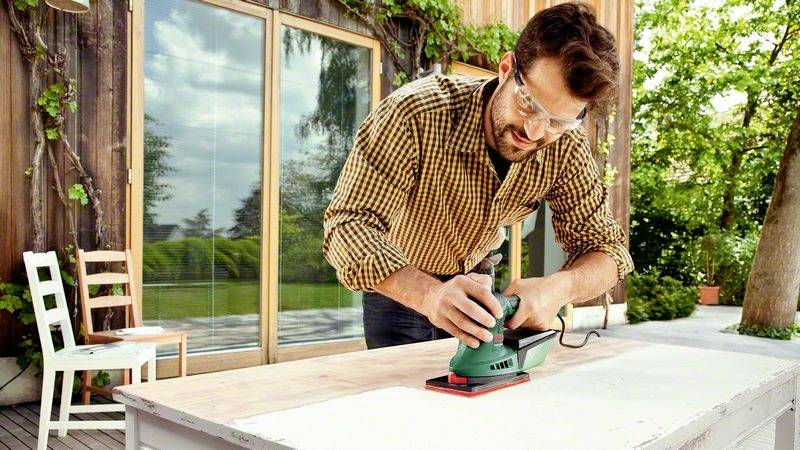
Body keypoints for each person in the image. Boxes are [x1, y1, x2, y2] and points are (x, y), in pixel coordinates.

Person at [323, 2, 634, 350]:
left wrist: (558, 289)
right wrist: (429, 295)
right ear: (506, 68)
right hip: (401, 285)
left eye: (558, 122)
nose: (534, 131)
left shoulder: (567, 145)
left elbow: (607, 249)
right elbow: (348, 225)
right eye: (528, 104)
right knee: (400, 398)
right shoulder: (415, 114)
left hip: (478, 282)